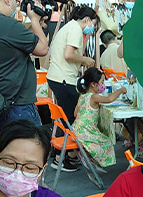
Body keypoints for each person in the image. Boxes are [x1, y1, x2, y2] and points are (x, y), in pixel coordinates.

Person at [0, 0, 49, 141]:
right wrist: (34, 20)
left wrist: (36, 23)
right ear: (7, 1)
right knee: (28, 155)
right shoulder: (9, 25)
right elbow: (43, 49)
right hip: (18, 105)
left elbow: (22, 41)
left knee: (6, 153)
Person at [47, 5, 98, 172]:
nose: (92, 27)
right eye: (93, 24)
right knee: (70, 118)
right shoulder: (75, 28)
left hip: (58, 77)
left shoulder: (71, 27)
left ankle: (63, 155)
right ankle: (60, 158)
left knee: (66, 118)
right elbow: (69, 55)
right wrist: (85, 60)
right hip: (63, 79)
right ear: (87, 20)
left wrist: (86, 40)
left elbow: (74, 53)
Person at [71, 67, 126, 169]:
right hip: (86, 132)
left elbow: (75, 113)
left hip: (75, 130)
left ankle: (88, 156)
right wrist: (121, 90)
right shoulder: (94, 97)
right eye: (101, 82)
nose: (103, 85)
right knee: (107, 142)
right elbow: (109, 99)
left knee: (100, 139)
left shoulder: (82, 96)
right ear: (93, 84)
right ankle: (89, 158)